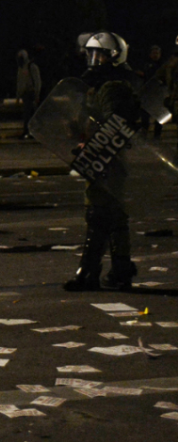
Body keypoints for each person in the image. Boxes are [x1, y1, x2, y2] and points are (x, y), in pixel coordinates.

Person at [64, 32, 147, 291]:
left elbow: (116, 126)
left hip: (108, 160)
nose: (93, 59)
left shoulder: (114, 86)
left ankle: (94, 272)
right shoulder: (103, 84)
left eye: (98, 54)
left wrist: (90, 144)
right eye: (90, 53)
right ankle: (116, 270)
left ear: (113, 56)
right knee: (109, 215)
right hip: (103, 158)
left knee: (102, 214)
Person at [16, 49, 42, 138]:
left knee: (30, 114)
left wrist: (37, 94)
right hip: (25, 94)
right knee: (27, 114)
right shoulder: (21, 68)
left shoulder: (32, 67)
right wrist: (18, 96)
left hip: (31, 93)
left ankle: (30, 132)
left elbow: (37, 81)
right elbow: (20, 82)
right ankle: (27, 132)